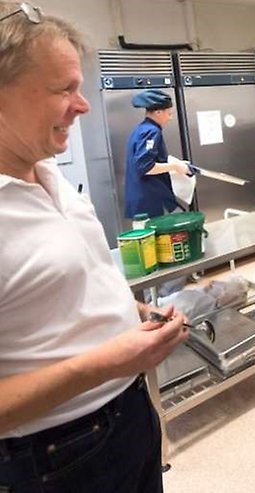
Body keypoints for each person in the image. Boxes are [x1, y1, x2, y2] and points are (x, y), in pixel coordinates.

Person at [0, 4, 188, 492]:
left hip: (129, 413)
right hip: (57, 456)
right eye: (64, 89)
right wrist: (106, 362)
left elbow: (59, 289)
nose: (83, 106)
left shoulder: (48, 175)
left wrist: (132, 311)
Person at [124, 88, 190, 219]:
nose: (170, 118)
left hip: (143, 201)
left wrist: (175, 164)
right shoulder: (151, 131)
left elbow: (148, 160)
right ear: (158, 112)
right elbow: (145, 167)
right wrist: (175, 167)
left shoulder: (141, 129)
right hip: (151, 201)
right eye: (169, 114)